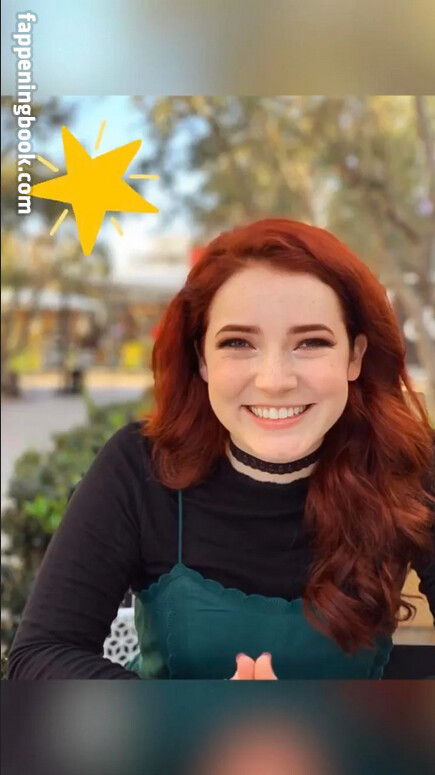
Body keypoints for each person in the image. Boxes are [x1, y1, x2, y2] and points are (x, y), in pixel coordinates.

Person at [7, 218, 435, 680]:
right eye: (238, 343)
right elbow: (40, 657)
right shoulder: (139, 467)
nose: (274, 381)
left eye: (311, 342)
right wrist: (195, 711)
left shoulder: (405, 465)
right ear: (203, 359)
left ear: (354, 356)